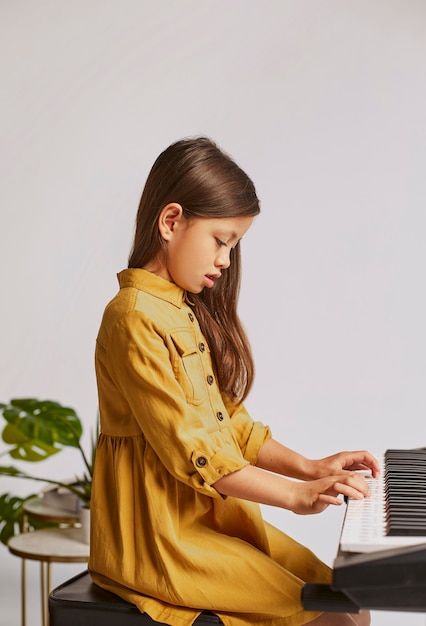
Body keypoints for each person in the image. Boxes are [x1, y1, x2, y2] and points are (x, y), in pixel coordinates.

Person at [88, 137, 380, 626]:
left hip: (209, 520)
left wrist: (309, 469)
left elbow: (231, 429)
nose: (225, 260)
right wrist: (294, 497)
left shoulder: (182, 310)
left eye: (234, 246)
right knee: (330, 618)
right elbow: (194, 451)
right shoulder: (133, 317)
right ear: (171, 221)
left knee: (350, 601)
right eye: (221, 240)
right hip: (161, 539)